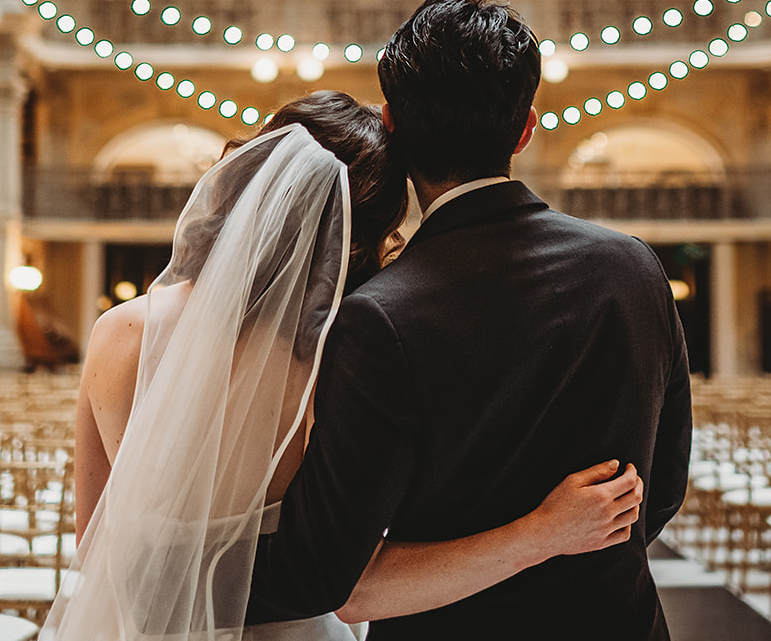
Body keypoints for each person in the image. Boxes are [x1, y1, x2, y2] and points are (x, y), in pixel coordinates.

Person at [43, 90, 643, 641]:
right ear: (356, 239)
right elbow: (359, 578)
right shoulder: (336, 362)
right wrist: (542, 531)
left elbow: (93, 540)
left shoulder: (116, 333)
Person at [247, 0, 692, 639]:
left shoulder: (378, 316)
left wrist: (155, 565)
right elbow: (665, 485)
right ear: (525, 129)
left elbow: (320, 574)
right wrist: (564, 550)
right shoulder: (636, 267)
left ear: (391, 122)